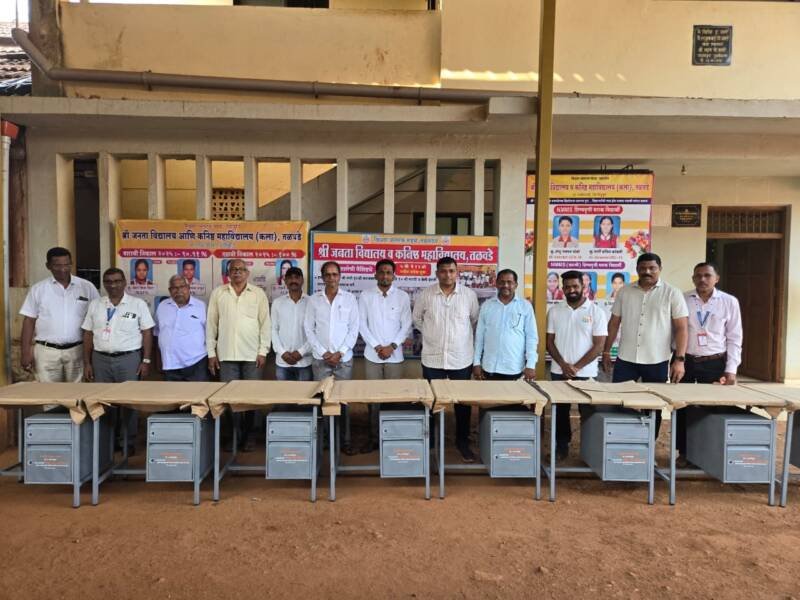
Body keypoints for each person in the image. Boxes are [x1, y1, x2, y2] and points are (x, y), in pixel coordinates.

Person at [602, 253, 689, 433]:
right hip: (626, 359)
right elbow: (614, 323)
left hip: (657, 360)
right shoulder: (625, 291)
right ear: (637, 270)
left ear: (660, 269)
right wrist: (606, 351)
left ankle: (649, 443)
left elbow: (682, 328)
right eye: (643, 268)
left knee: (653, 407)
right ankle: (621, 439)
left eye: (652, 268)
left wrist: (679, 360)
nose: (647, 271)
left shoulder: (672, 293)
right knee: (619, 402)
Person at [676, 262, 743, 467]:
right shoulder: (682, 299)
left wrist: (731, 369)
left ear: (717, 278)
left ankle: (710, 454)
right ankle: (684, 453)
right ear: (693, 278)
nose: (702, 279)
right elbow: (675, 331)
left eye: (707, 275)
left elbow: (735, 337)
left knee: (712, 409)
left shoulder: (729, 302)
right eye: (698, 276)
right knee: (682, 407)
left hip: (715, 363)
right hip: (686, 362)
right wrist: (676, 359)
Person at [413, 256, 479, 461]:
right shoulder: (426, 295)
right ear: (437, 273)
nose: (447, 275)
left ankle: (462, 441)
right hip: (432, 358)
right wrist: (431, 334)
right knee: (432, 401)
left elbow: (474, 321)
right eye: (443, 271)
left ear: (457, 273)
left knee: (462, 404)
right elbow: (417, 319)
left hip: (461, 359)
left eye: (451, 271)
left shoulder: (468, 295)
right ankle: (431, 441)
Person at [82, 267, 155, 452]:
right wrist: (87, 363)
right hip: (100, 360)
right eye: (108, 282)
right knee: (103, 402)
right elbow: (88, 334)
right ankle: (108, 442)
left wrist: (146, 361)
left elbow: (147, 332)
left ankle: (127, 442)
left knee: (129, 402)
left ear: (124, 283)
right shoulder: (96, 305)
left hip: (129, 359)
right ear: (104, 284)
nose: (113, 285)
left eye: (117, 281)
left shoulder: (137, 304)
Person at [206, 259, 271, 451]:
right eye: (233, 269)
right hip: (226, 355)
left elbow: (265, 324)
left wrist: (263, 351)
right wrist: (211, 353)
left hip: (252, 355)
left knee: (251, 397)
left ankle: (250, 435)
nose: (237, 272)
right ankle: (234, 434)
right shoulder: (218, 293)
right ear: (228, 273)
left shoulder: (257, 294)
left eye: (241, 269)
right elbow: (211, 325)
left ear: (247, 273)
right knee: (228, 397)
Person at [546, 270, 608, 460]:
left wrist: (576, 367)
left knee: (588, 413)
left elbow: (599, 345)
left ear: (583, 286)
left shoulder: (596, 312)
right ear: (562, 288)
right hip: (559, 371)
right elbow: (549, 342)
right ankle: (561, 448)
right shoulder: (555, 311)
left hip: (586, 373)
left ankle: (590, 451)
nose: (571, 290)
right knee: (560, 413)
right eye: (567, 287)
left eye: (575, 286)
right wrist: (564, 365)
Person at [19, 247, 99, 382]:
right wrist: (25, 352)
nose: (63, 269)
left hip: (77, 350)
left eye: (66, 264)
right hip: (46, 352)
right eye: (57, 265)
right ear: (48, 266)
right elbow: (29, 320)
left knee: (77, 392)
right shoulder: (38, 289)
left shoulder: (87, 287)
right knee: (47, 392)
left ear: (71, 264)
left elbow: (96, 318)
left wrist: (92, 353)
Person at [304, 261, 359, 453]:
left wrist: (340, 352)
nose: (331, 278)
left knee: (343, 401)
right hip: (321, 360)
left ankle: (345, 441)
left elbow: (354, 329)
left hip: (343, 360)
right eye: (327, 274)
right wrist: (323, 352)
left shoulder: (350, 299)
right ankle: (326, 440)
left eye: (335, 274)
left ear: (340, 276)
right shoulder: (314, 300)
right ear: (322, 277)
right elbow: (308, 329)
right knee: (323, 400)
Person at [358, 259, 412, 453]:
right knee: (373, 399)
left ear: (394, 276)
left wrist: (392, 346)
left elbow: (406, 325)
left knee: (393, 398)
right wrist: (377, 346)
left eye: (389, 272)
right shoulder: (365, 296)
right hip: (372, 356)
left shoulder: (402, 297)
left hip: (395, 356)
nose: (385, 276)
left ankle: (391, 439)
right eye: (381, 272)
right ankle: (373, 438)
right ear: (375, 274)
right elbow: (361, 324)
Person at [473, 268, 537, 382]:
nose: (505, 285)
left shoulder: (525, 306)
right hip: (489, 367)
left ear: (516, 285)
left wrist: (531, 364)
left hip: (514, 367)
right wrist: (476, 362)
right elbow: (479, 336)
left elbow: (531, 337)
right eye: (502, 282)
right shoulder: (487, 306)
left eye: (509, 282)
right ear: (496, 284)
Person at [154, 275, 208, 381]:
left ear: (188, 288)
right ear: (170, 290)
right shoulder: (162, 306)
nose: (178, 291)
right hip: (170, 364)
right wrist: (158, 358)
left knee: (198, 391)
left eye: (182, 287)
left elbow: (210, 334)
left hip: (196, 363)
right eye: (174, 288)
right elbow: (157, 333)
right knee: (172, 392)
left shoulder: (201, 306)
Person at [271, 266, 312, 381]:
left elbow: (315, 332)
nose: (293, 280)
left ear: (302, 280)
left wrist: (301, 352)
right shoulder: (277, 303)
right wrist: (283, 353)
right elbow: (273, 329)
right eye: (290, 278)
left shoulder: (311, 302)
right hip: (282, 362)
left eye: (297, 277)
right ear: (285, 281)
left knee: (306, 393)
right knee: (283, 392)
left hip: (305, 362)